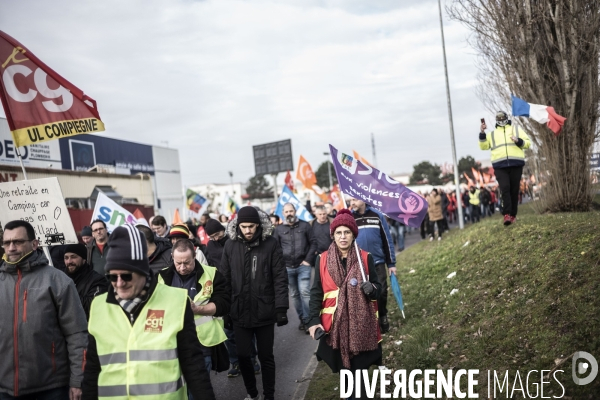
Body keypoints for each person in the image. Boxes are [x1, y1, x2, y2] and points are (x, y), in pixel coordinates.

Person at [82, 225, 215, 400]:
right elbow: (93, 369)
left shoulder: (175, 302)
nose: (119, 283)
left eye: (126, 276)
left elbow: (193, 365)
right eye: (112, 277)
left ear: (143, 271)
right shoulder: (99, 306)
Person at [0, 220, 88, 399]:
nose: (11, 247)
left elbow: (77, 334)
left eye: (17, 241)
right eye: (7, 242)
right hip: (5, 389)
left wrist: (77, 381)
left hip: (51, 388)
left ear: (34, 244)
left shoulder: (57, 281)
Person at [307, 209, 382, 398]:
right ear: (333, 235)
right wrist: (313, 320)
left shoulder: (366, 257)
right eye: (339, 232)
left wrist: (372, 289)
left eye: (347, 232)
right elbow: (316, 291)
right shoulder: (322, 259)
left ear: (353, 234)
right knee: (346, 375)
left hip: (362, 326)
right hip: (336, 326)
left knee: (362, 375)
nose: (343, 237)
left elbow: (379, 289)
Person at [220, 206, 289, 400]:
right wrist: (225, 310)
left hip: (265, 311)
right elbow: (224, 279)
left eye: (251, 226)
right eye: (244, 226)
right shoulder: (230, 245)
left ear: (258, 225)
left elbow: (280, 277)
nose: (248, 230)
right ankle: (252, 394)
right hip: (239, 311)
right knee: (243, 356)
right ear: (238, 225)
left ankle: (269, 396)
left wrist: (281, 308)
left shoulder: (271, 244)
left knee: (266, 357)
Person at [159, 239, 230, 378]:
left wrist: (198, 309)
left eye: (187, 262)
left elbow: (224, 304)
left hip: (202, 346)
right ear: (172, 257)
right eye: (178, 263)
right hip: (172, 345)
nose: (182, 267)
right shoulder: (161, 277)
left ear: (195, 256)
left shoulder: (212, 274)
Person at [204, 218, 260, 377]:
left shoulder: (235, 241)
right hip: (223, 291)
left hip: (241, 289)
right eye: (212, 236)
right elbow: (209, 265)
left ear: (223, 230)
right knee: (228, 331)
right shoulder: (210, 246)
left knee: (247, 327)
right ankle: (235, 362)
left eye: (217, 234)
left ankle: (252, 359)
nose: (216, 238)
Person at [349, 197, 396, 334]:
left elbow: (387, 240)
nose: (352, 203)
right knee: (362, 294)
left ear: (363, 199)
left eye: (355, 199)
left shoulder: (377, 215)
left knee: (381, 292)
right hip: (358, 263)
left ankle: (382, 316)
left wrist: (391, 263)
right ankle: (369, 322)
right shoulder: (350, 218)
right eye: (350, 200)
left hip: (377, 262)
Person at [479, 111, 531, 225]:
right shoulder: (492, 134)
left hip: (516, 164)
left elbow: (528, 143)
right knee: (505, 188)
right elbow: (483, 146)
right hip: (500, 166)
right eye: (499, 119)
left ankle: (513, 215)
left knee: (514, 190)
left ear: (506, 119)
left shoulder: (516, 129)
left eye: (503, 119)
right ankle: (506, 214)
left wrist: (518, 141)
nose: (501, 121)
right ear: (496, 121)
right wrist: (482, 132)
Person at [273, 203, 317, 333]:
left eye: (291, 211)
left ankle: (309, 321)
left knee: (304, 292)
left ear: (295, 211)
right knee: (294, 294)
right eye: (286, 212)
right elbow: (275, 248)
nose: (289, 213)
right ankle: (303, 319)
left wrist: (308, 260)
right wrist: (280, 264)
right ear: (283, 213)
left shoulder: (305, 226)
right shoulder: (279, 229)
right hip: (287, 268)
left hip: (303, 265)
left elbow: (313, 242)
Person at [63, 243, 109, 320]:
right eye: (66, 258)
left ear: (84, 259)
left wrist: (66, 294)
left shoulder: (97, 280)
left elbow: (92, 305)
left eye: (73, 257)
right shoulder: (61, 279)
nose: (69, 261)